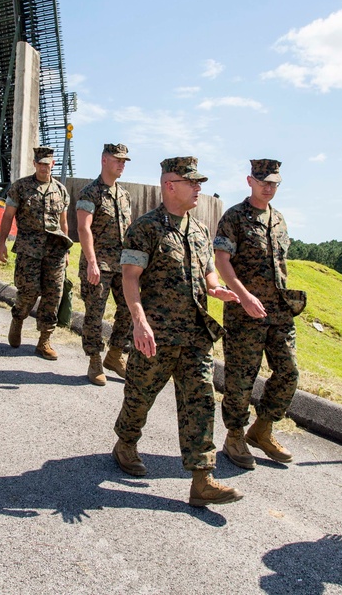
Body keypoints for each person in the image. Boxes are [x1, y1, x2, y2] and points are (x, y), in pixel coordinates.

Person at [112, 156, 244, 507]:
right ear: (170, 185)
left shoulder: (199, 231)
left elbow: (208, 273)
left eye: (200, 182)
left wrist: (216, 289)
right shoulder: (145, 228)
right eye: (192, 182)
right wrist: (139, 322)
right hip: (156, 336)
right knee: (140, 396)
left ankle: (202, 479)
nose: (199, 188)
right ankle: (126, 442)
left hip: (196, 336)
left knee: (200, 400)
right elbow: (129, 278)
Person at [214, 159, 299, 470]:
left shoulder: (279, 220)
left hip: (278, 311)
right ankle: (234, 435)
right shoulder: (234, 217)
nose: (269, 187)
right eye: (263, 181)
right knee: (241, 377)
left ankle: (262, 429)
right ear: (250, 181)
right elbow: (222, 260)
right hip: (244, 311)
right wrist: (245, 295)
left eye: (274, 182)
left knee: (289, 372)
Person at [0, 146, 72, 360]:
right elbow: (8, 216)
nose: (43, 167)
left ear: (53, 165)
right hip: (29, 250)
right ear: (34, 164)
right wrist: (2, 243)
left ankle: (44, 340)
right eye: (40, 163)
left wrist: (66, 251)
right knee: (28, 291)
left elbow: (63, 223)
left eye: (47, 164)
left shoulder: (60, 190)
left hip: (55, 251)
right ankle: (18, 318)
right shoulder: (20, 187)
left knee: (53, 295)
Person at [76, 143, 134, 385]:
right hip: (98, 264)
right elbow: (83, 228)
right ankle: (94, 360)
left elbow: (129, 231)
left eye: (124, 161)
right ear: (104, 160)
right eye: (117, 160)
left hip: (122, 266)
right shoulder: (90, 193)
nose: (122, 164)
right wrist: (91, 262)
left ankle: (115, 354)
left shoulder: (124, 195)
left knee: (131, 310)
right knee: (94, 315)